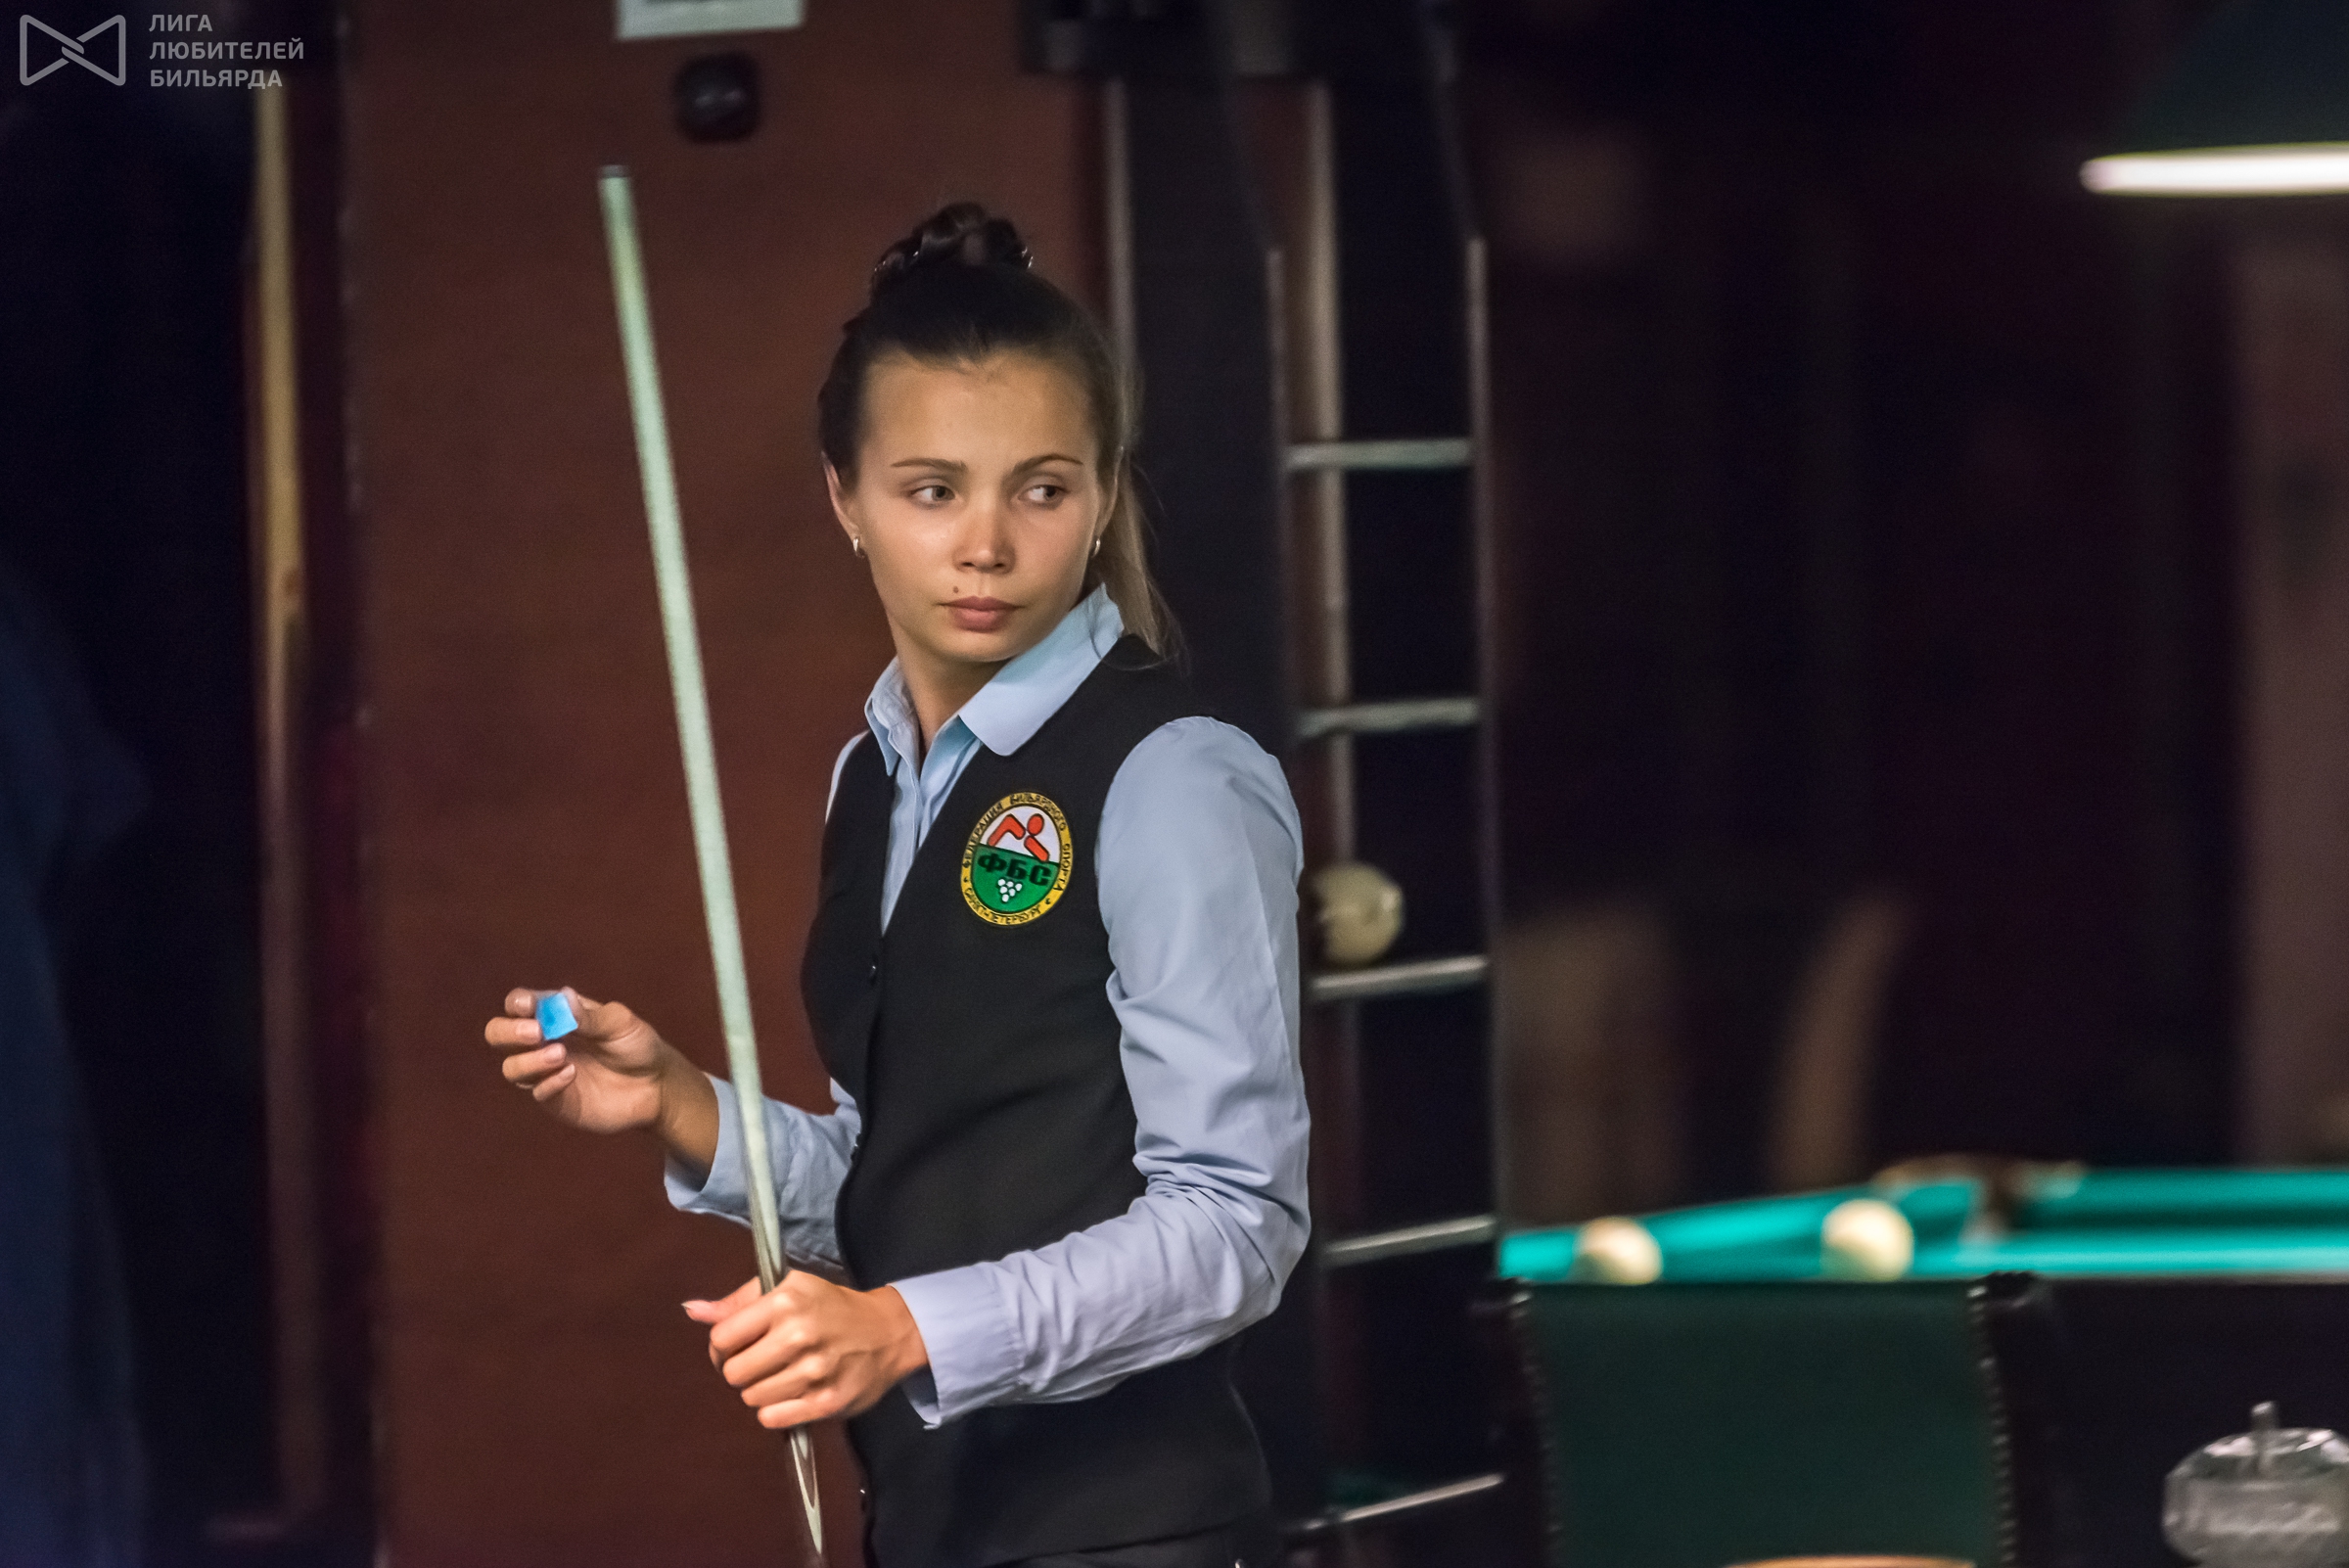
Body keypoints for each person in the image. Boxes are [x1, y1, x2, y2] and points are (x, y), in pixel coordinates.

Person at [484, 203, 1311, 1568]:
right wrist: (682, 1102)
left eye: (1040, 489)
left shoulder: (1175, 775)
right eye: (933, 490)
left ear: (1103, 495)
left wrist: (905, 1328)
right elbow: (911, 1178)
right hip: (934, 1525)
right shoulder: (872, 778)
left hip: (1133, 1537)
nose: (986, 544)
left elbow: (1237, 1225)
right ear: (846, 500)